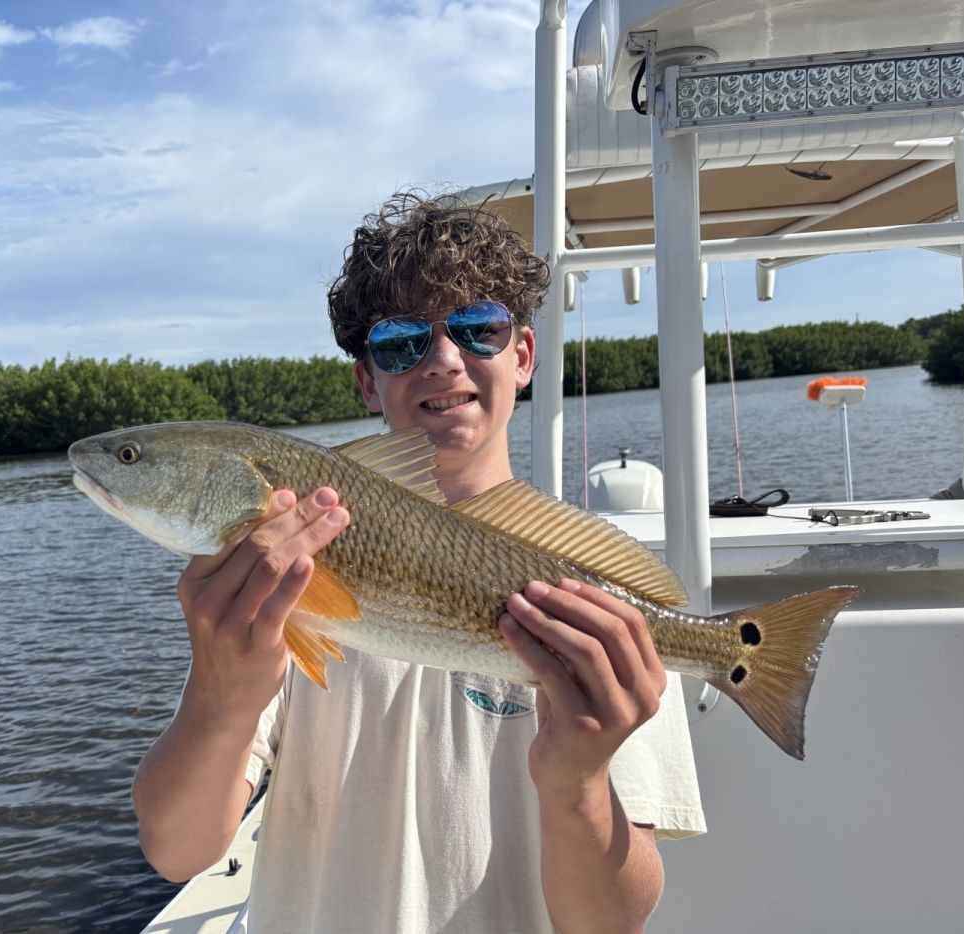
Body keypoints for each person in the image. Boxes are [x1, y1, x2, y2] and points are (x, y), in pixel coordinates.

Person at [133, 192, 704, 933]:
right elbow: (177, 851)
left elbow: (609, 921)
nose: (442, 360)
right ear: (368, 380)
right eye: (401, 342)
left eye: (477, 329)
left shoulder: (594, 597)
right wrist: (222, 693)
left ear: (523, 354)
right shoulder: (284, 567)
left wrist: (579, 782)